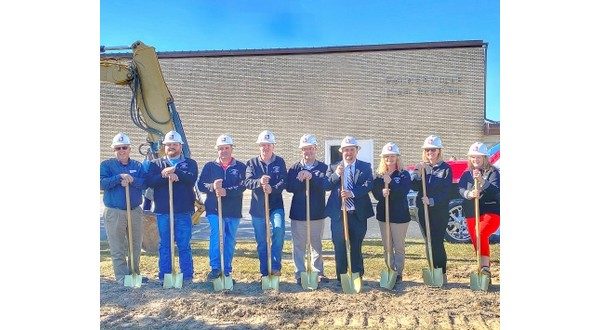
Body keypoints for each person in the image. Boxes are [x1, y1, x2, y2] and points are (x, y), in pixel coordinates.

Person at [145, 130, 198, 285]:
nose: (171, 147)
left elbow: (191, 178)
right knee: (165, 244)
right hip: (163, 211)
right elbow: (150, 181)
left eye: (175, 144)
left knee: (183, 244)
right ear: (164, 146)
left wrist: (176, 172)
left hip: (183, 210)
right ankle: (164, 275)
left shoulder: (190, 163)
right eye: (169, 144)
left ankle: (187, 276)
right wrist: (164, 175)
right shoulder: (156, 164)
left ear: (180, 146)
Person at [197, 134, 247, 281]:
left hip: (233, 209)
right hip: (214, 209)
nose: (224, 151)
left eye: (226, 148)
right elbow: (201, 185)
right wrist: (212, 186)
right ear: (217, 150)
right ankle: (215, 268)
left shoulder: (240, 167)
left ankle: (227, 269)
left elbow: (243, 186)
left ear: (231, 149)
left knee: (229, 239)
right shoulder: (210, 166)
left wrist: (227, 191)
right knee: (216, 235)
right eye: (221, 148)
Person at [325, 136, 374, 283]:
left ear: (356, 151)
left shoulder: (365, 167)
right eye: (346, 150)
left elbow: (368, 185)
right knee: (339, 244)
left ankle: (356, 274)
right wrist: (337, 175)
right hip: (339, 214)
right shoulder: (333, 167)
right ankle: (342, 276)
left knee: (356, 244)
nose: (349, 153)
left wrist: (352, 193)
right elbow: (326, 185)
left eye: (352, 149)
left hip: (357, 213)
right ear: (342, 151)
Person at [100, 132, 147, 285]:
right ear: (114, 150)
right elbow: (101, 183)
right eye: (118, 148)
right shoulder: (106, 165)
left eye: (124, 147)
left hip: (134, 211)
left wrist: (132, 180)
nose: (122, 150)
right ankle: (121, 277)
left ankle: (134, 273)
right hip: (115, 212)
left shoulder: (137, 166)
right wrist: (119, 177)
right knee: (117, 246)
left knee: (135, 245)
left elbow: (145, 183)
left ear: (129, 149)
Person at [286, 134, 330, 286]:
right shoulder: (294, 168)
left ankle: (318, 271)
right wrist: (300, 179)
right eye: (305, 149)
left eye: (310, 148)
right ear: (301, 151)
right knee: (299, 245)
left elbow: (325, 185)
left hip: (317, 212)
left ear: (315, 149)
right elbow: (289, 187)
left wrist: (311, 177)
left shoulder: (323, 167)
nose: (308, 152)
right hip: (298, 213)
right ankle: (300, 273)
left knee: (316, 244)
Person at [245, 130, 288, 279]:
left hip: (276, 206)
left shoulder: (280, 162)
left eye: (268, 145)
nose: (265, 148)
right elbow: (247, 182)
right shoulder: (252, 163)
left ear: (273, 146)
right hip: (258, 208)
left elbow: (284, 181)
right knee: (262, 240)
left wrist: (273, 188)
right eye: (263, 145)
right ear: (259, 146)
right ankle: (265, 271)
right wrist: (259, 182)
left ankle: (275, 266)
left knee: (279, 230)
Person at [411, 135, 453, 284]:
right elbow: (415, 186)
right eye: (428, 150)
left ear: (439, 151)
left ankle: (441, 272)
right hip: (423, 210)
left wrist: (433, 200)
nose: (430, 152)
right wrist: (418, 173)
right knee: (428, 241)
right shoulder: (422, 166)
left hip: (439, 211)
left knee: (437, 241)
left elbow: (447, 191)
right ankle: (431, 268)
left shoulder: (445, 168)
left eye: (433, 150)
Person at [458, 142, 500, 279]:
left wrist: (482, 180)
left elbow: (495, 191)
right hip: (471, 211)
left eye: (479, 157)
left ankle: (486, 268)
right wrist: (469, 194)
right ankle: (482, 271)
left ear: (485, 158)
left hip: (490, 211)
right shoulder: (466, 174)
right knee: (477, 240)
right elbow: (461, 189)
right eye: (473, 157)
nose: (475, 160)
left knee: (480, 232)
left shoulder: (493, 172)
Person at [371, 142, 412, 284]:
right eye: (387, 156)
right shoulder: (379, 175)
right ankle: (390, 269)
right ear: (383, 158)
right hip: (384, 215)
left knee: (399, 246)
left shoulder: (404, 174)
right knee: (387, 245)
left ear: (397, 157)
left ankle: (399, 272)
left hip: (399, 216)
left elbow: (403, 192)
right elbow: (376, 194)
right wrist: (382, 192)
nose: (390, 159)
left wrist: (391, 183)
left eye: (392, 156)